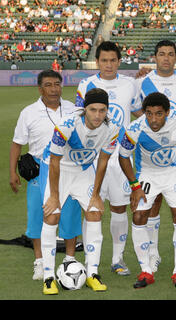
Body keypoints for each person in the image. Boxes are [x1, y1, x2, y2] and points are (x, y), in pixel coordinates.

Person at [41, 88, 121, 294]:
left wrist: (95, 195)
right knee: (52, 217)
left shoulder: (112, 128)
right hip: (60, 170)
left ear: (107, 110)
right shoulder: (66, 125)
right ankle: (48, 277)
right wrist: (55, 196)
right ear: (84, 109)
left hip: (83, 171)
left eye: (102, 110)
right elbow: (55, 162)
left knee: (94, 212)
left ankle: (92, 273)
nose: (97, 115)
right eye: (92, 110)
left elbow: (103, 161)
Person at [75, 41, 141, 276]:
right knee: (90, 206)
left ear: (119, 61)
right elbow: (77, 116)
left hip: (120, 156)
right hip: (92, 156)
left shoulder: (130, 84)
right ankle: (89, 261)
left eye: (113, 60)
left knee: (119, 207)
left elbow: (138, 111)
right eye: (104, 60)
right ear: (97, 62)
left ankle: (117, 258)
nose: (109, 65)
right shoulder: (86, 84)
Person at [9, 70, 82, 283]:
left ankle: (70, 260)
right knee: (37, 216)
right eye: (48, 85)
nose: (54, 89)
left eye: (57, 84)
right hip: (40, 170)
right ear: (40, 89)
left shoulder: (73, 109)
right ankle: (40, 262)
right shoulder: (29, 112)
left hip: (69, 169)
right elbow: (17, 143)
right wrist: (12, 172)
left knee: (69, 215)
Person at [118, 92, 176, 289]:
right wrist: (135, 186)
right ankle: (146, 271)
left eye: (159, 114)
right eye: (149, 114)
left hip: (174, 172)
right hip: (148, 174)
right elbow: (123, 156)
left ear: (167, 112)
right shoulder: (135, 128)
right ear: (143, 113)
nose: (153, 119)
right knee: (139, 216)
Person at [134, 40, 176, 273]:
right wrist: (153, 126)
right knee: (152, 204)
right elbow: (136, 109)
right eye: (161, 54)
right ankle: (153, 254)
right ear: (155, 57)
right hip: (149, 152)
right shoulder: (141, 81)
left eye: (170, 54)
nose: (166, 58)